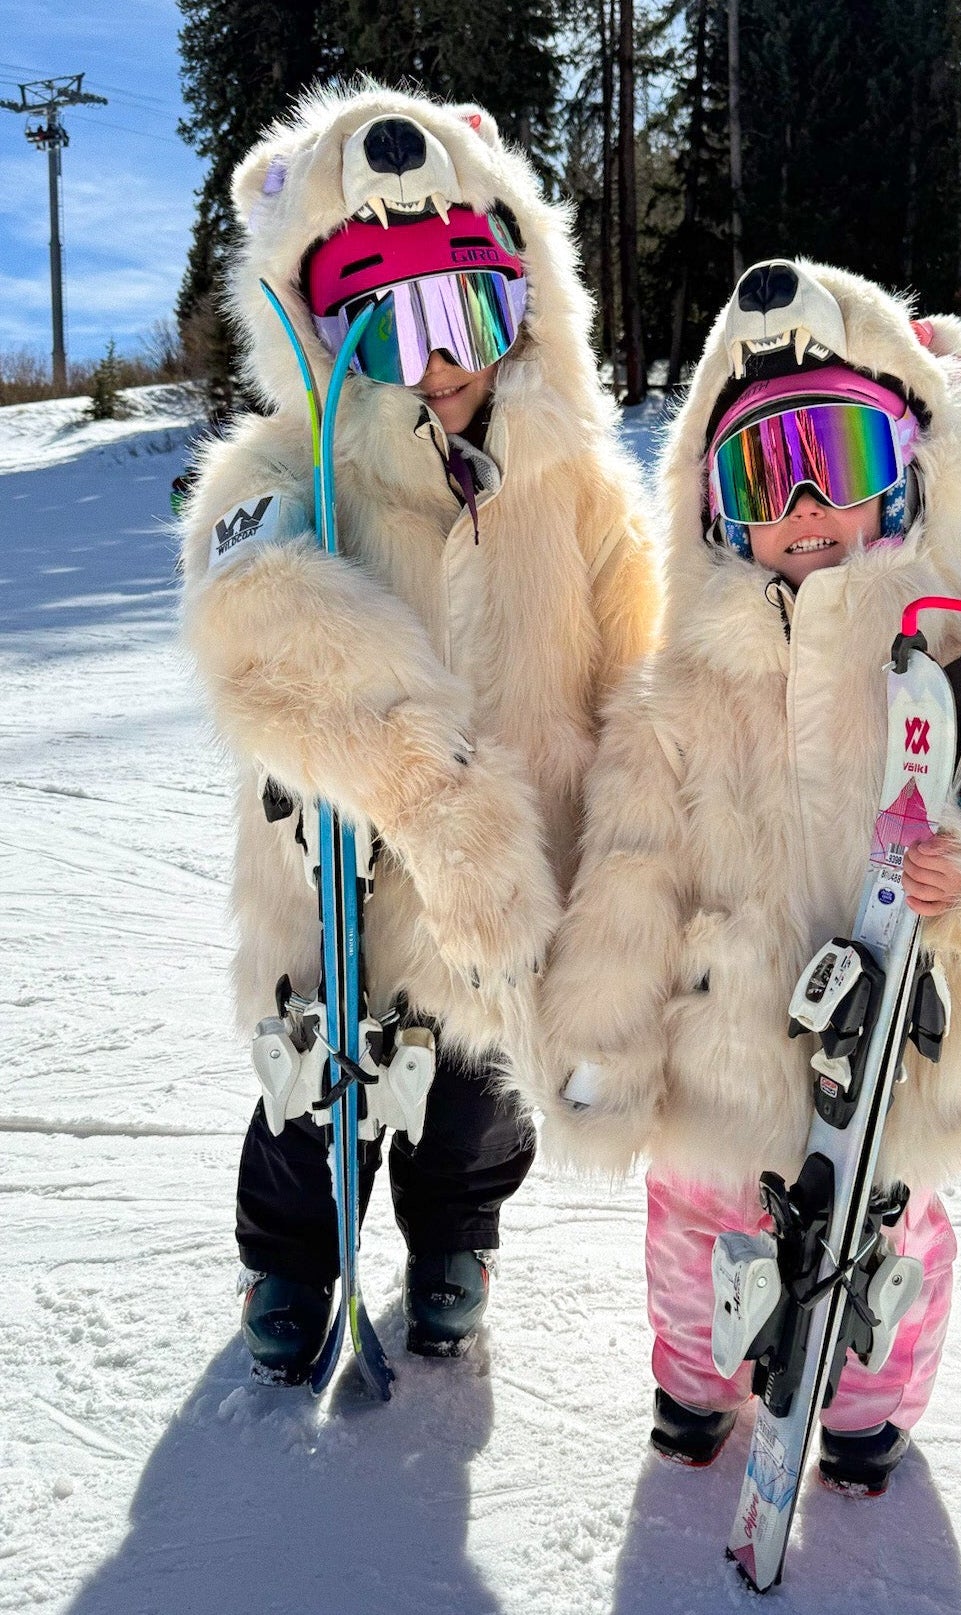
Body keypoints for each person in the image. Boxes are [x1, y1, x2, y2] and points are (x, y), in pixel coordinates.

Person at [524, 259, 961, 1489]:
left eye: (841, 455)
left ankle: (866, 1404)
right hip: (727, 1050)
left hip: (907, 1053)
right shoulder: (674, 698)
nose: (805, 498)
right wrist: (601, 1034)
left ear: (912, 473)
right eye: (765, 470)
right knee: (699, 1227)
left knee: (886, 1234)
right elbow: (630, 874)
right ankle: (698, 1381)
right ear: (715, 510)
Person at [178, 87, 656, 1381]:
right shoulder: (280, 475)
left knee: (472, 1103)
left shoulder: (573, 488)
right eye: (390, 328)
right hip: (333, 868)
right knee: (306, 1096)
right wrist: (432, 789)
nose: (441, 363)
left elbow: (640, 658)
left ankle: (456, 1240)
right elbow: (255, 623)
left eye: (472, 314)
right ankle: (287, 1256)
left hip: (500, 903)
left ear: (525, 307)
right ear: (321, 335)